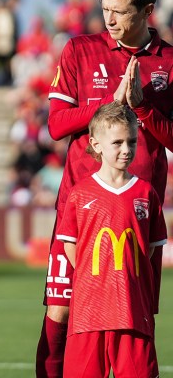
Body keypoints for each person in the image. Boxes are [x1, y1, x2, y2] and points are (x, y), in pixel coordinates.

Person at [37, 0, 173, 378]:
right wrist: (105, 107)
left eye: (120, 11)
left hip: (138, 212)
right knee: (60, 313)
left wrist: (144, 107)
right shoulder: (80, 49)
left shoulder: (168, 60)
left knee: (137, 319)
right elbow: (57, 125)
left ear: (147, 10)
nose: (109, 19)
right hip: (80, 209)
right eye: (105, 9)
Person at [55, 102, 166, 378]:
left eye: (131, 141)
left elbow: (149, 249)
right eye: (117, 142)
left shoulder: (146, 193)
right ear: (96, 144)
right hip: (88, 315)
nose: (126, 149)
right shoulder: (79, 194)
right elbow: (72, 248)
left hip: (133, 313)